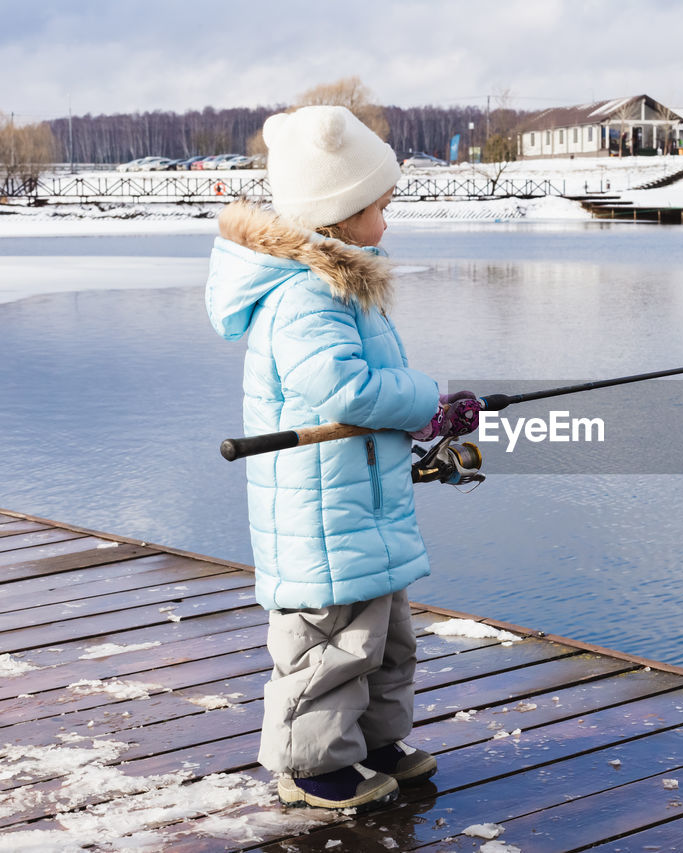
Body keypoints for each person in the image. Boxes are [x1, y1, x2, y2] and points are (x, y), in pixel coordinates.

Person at [205, 105, 480, 812]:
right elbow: (345, 388)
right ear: (339, 213)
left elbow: (371, 395)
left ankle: (374, 742)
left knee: (386, 638)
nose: (387, 222)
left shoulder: (348, 286)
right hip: (320, 510)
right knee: (328, 642)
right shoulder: (304, 295)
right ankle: (311, 763)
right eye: (379, 207)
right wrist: (426, 401)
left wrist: (432, 418)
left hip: (363, 498)